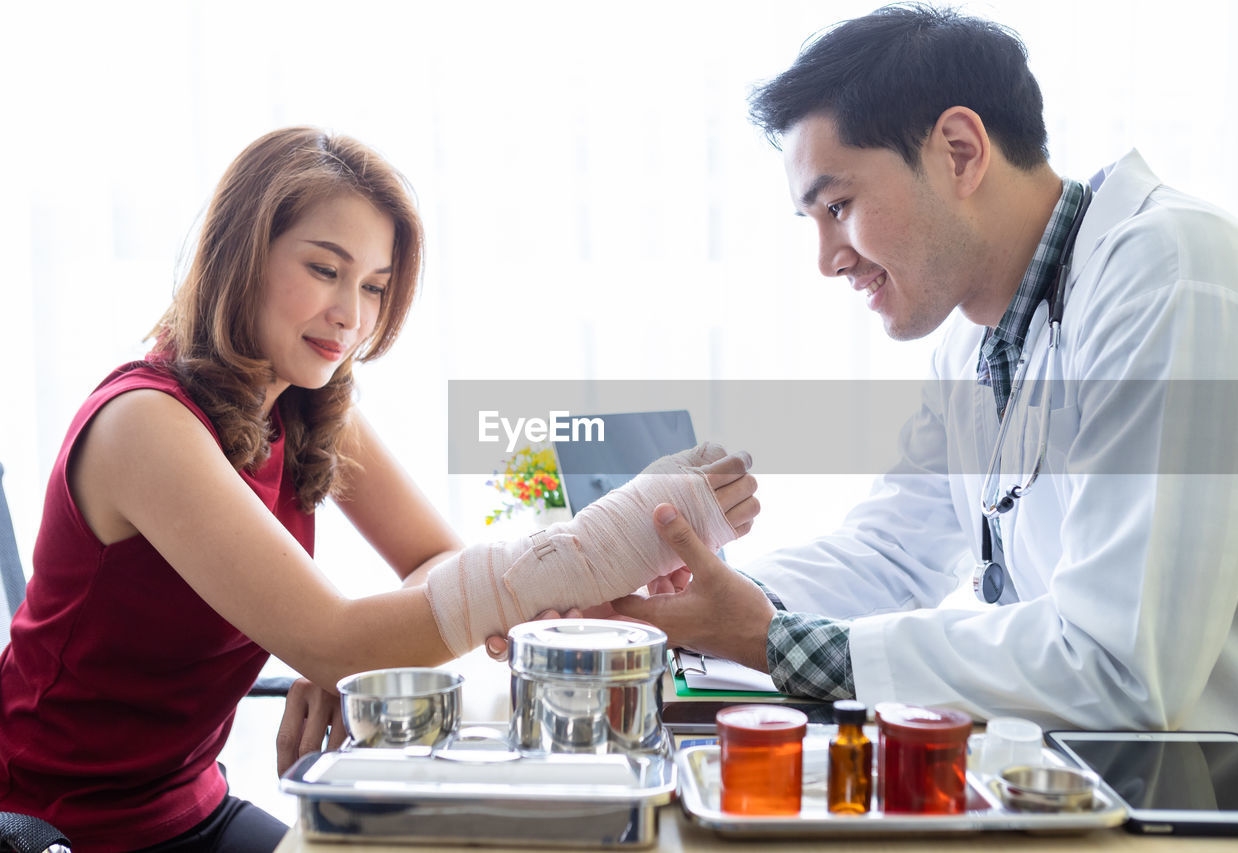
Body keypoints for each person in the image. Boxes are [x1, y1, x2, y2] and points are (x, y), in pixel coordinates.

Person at [0, 127, 759, 852]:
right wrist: (334, 646)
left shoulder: (309, 405)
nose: (352, 316)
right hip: (53, 822)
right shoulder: (146, 425)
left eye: (374, 285)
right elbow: (342, 635)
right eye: (325, 271)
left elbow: (431, 559)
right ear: (240, 255)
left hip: (186, 801)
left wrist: (332, 658)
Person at [603, 4, 1238, 755]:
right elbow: (893, 550)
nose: (828, 258)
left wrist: (773, 641)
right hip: (1088, 792)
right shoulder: (979, 343)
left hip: (1223, 810)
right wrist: (705, 601)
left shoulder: (1174, 278)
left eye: (840, 205)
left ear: (960, 151)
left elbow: (1120, 665)